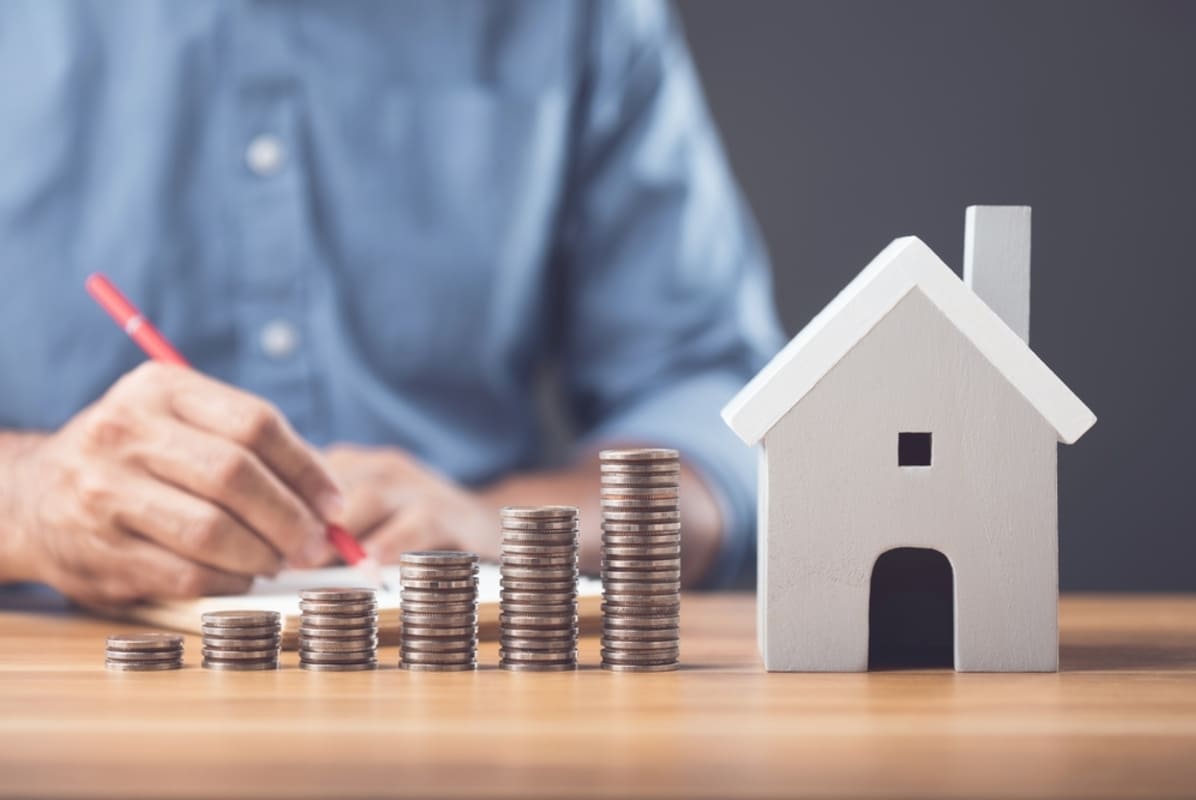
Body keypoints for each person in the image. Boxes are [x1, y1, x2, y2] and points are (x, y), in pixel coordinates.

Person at [0, 0, 782, 604]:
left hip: (469, 683)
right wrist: (27, 502)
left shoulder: (575, 17)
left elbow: (728, 418)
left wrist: (519, 531)